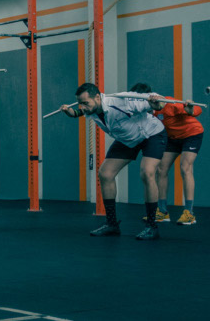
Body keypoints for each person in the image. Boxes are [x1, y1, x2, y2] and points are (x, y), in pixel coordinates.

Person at [61, 84, 166, 240]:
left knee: (147, 172)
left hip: (151, 135)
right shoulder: (91, 107)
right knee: (105, 174)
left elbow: (158, 101)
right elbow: (81, 111)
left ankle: (152, 226)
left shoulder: (120, 101)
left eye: (85, 103)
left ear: (97, 97)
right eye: (80, 103)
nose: (83, 107)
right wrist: (72, 113)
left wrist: (157, 102)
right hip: (127, 140)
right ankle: (112, 224)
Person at [129, 83, 203, 226]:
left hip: (191, 134)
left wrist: (191, 109)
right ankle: (162, 212)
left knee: (185, 168)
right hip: (173, 138)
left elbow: (197, 108)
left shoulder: (167, 103)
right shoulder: (143, 111)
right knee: (161, 170)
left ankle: (189, 213)